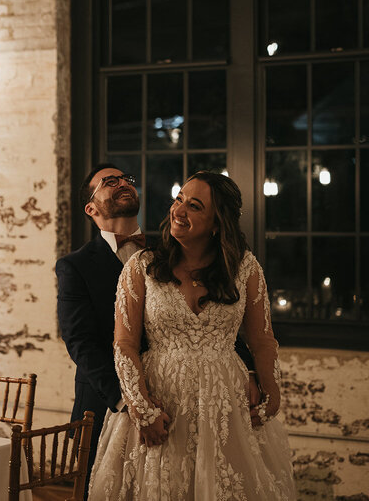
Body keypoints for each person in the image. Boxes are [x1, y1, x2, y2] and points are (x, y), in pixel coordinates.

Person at [87, 172, 295, 500]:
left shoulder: (245, 269)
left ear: (217, 223)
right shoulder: (142, 266)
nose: (178, 211)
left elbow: (262, 340)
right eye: (179, 199)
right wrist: (141, 407)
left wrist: (272, 392)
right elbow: (124, 343)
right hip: (161, 404)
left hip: (226, 407)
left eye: (194, 206)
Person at [56, 164, 258, 497]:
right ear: (91, 208)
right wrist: (132, 403)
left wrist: (247, 367)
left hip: (186, 402)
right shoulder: (74, 266)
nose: (123, 183)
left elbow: (214, 317)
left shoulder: (174, 248)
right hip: (108, 404)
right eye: (110, 182)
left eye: (126, 179)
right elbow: (82, 343)